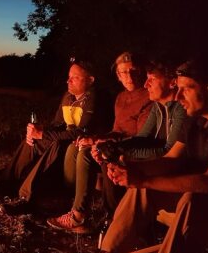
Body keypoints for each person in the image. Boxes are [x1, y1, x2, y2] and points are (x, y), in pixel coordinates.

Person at [100, 58, 208, 253]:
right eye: (178, 87)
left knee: (193, 198)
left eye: (187, 88)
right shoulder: (195, 120)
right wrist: (132, 171)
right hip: (203, 193)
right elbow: (171, 160)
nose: (179, 94)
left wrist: (146, 179)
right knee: (142, 190)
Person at [46, 52, 151, 231]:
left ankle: (111, 217)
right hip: (116, 143)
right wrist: (95, 139)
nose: (129, 76)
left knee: (100, 152)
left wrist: (104, 142)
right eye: (123, 72)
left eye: (133, 70)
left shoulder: (148, 97)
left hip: (132, 148)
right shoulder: (121, 97)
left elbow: (140, 136)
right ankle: (79, 215)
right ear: (118, 76)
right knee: (84, 151)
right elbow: (117, 130)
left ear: (142, 71)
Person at [1, 58, 111, 213]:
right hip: (67, 138)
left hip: (81, 144)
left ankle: (26, 198)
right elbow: (57, 124)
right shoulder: (68, 97)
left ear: (90, 80)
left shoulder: (95, 99)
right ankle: (7, 183)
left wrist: (44, 135)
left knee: (56, 144)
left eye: (75, 78)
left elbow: (82, 132)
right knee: (31, 141)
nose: (69, 81)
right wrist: (37, 131)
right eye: (69, 76)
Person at [94, 61, 187, 216]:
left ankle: (120, 219)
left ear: (172, 83)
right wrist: (114, 147)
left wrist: (123, 152)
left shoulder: (180, 110)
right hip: (159, 158)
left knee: (119, 161)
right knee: (109, 158)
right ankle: (113, 215)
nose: (145, 84)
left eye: (152, 79)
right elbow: (142, 137)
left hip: (172, 166)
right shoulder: (158, 107)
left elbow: (168, 152)